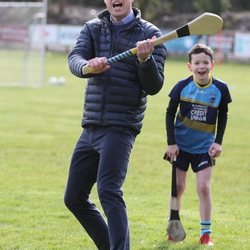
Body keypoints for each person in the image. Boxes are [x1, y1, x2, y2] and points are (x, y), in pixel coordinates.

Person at [64, 0, 167, 249]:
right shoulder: (93, 28)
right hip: (91, 125)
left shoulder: (150, 35)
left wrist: (145, 60)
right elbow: (75, 58)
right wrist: (87, 66)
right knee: (74, 197)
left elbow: (154, 87)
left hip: (120, 126)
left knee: (109, 191)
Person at [164, 43, 232, 246]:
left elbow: (223, 115)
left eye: (205, 62)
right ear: (189, 66)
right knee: (178, 187)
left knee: (203, 188)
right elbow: (169, 114)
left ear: (212, 64)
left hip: (204, 148)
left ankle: (205, 234)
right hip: (180, 147)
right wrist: (171, 143)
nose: (201, 66)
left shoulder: (220, 88)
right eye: (197, 63)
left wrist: (218, 142)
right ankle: (173, 227)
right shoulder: (181, 86)